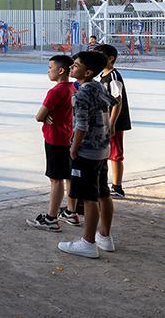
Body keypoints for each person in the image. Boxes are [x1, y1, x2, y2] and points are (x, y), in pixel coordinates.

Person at [58, 51, 116, 259]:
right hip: (102, 149)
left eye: (76, 65)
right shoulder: (98, 86)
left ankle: (88, 242)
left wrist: (74, 148)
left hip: (87, 152)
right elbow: (113, 103)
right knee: (103, 193)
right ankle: (105, 236)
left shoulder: (81, 94)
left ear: (88, 71)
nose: (72, 67)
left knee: (88, 197)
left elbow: (81, 125)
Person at [26, 55, 74, 232]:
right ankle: (71, 211)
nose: (48, 71)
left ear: (61, 70)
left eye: (50, 68)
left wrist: (44, 116)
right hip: (69, 136)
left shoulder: (56, 92)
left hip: (55, 139)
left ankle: (51, 218)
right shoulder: (73, 88)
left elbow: (39, 116)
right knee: (68, 176)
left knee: (56, 180)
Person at [96, 44, 131, 198]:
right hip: (104, 122)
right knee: (104, 153)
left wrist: (111, 123)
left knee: (115, 154)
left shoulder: (114, 76)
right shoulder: (102, 75)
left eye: (100, 56)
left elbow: (118, 101)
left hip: (114, 122)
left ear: (111, 58)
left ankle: (117, 187)